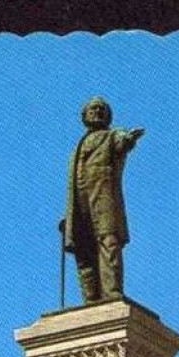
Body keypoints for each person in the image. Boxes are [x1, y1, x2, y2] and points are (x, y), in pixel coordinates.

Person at [63, 97, 144, 303]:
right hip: (81, 202)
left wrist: (128, 138)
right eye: (93, 108)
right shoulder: (77, 147)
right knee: (83, 247)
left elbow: (121, 142)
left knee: (108, 241)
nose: (97, 112)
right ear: (84, 116)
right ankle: (90, 296)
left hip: (103, 199)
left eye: (101, 109)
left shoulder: (111, 136)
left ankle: (111, 291)